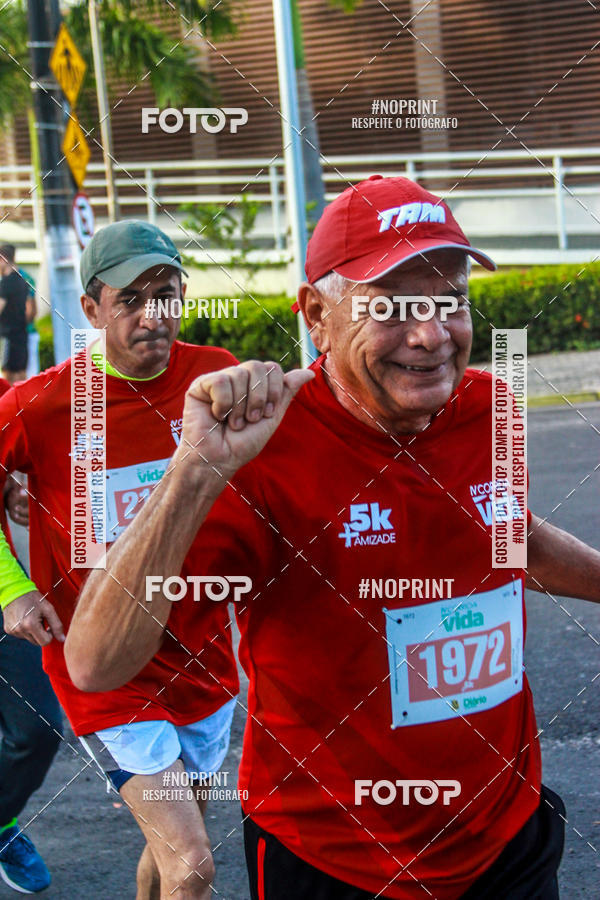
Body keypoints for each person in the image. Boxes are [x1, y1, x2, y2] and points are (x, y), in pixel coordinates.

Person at [65, 176, 600, 899]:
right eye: (392, 307)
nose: (432, 334)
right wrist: (194, 473)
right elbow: (96, 663)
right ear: (317, 315)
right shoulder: (260, 451)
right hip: (334, 860)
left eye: (450, 300)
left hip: (505, 837)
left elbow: (508, 537)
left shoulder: (487, 405)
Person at [0, 221, 298, 899]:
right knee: (194, 864)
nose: (152, 315)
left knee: (172, 848)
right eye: (130, 299)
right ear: (92, 309)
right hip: (102, 666)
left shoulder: (213, 376)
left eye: (166, 294)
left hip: (201, 658)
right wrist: (11, 589)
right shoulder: (46, 405)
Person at [0, 377, 61, 893]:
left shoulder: (3, 392)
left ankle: (0, 822)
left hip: (5, 596)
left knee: (39, 728)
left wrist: (18, 485)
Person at [0, 245, 29, 384]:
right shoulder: (22, 281)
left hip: (8, 337)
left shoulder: (6, 283)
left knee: (7, 377)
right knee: (21, 375)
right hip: (21, 335)